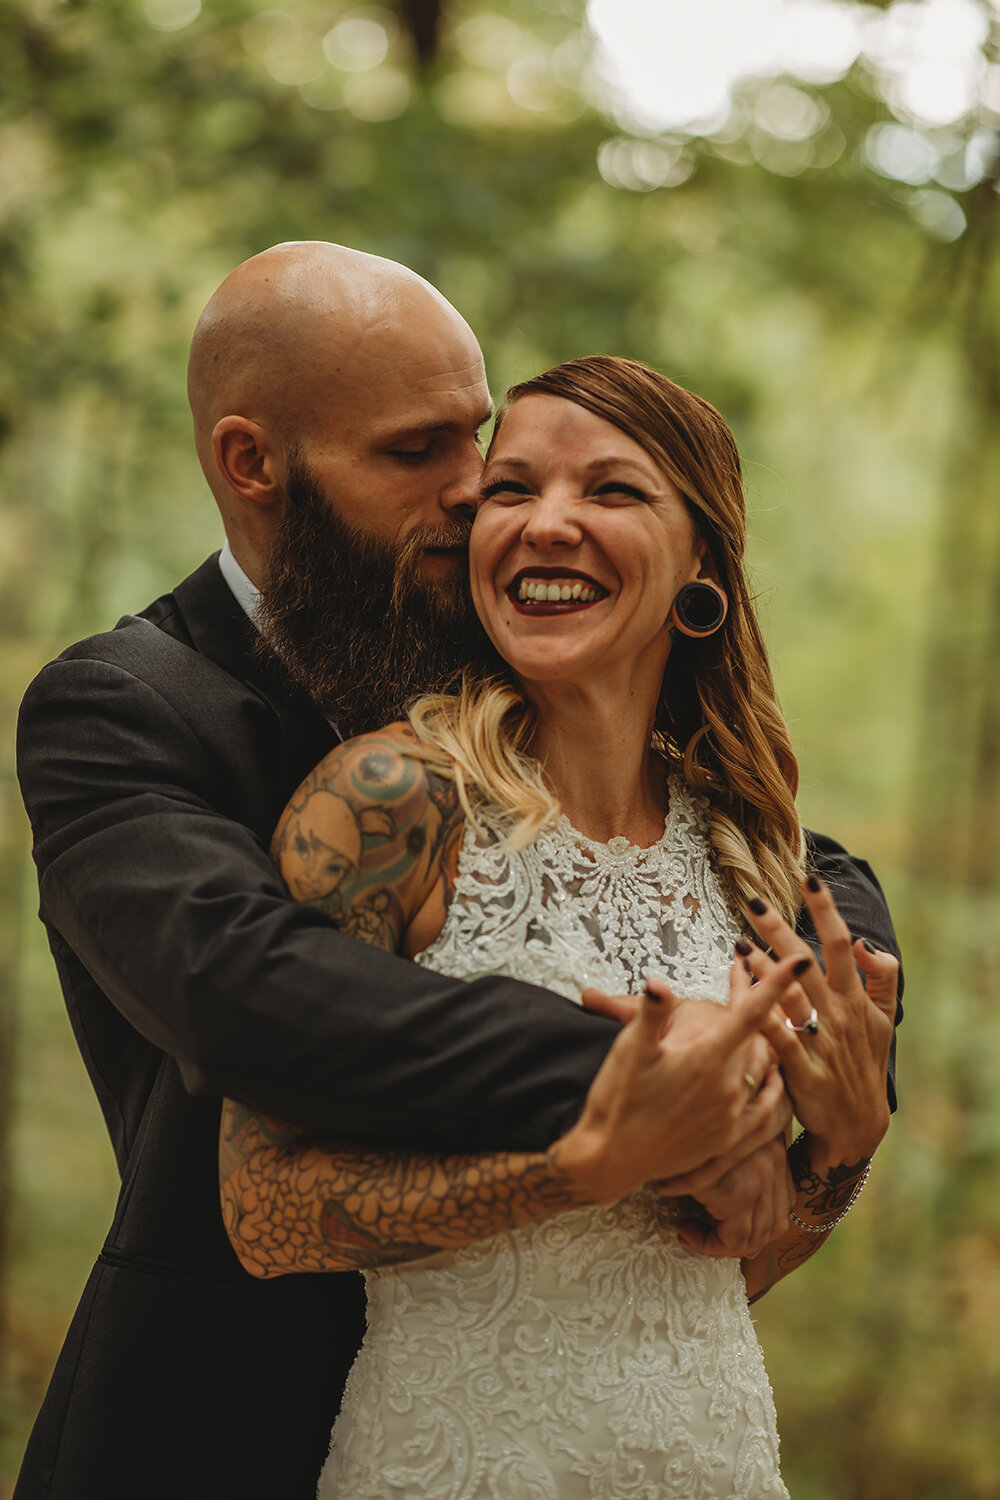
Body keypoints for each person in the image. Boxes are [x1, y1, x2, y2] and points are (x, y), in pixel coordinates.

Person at [15, 244, 901, 1500]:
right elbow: (241, 987)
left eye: (473, 438)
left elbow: (782, 855)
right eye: (415, 450)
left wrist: (846, 1065)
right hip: (224, 1419)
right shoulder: (125, 707)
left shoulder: (498, 637)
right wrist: (671, 1072)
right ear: (252, 463)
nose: (477, 491)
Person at [220, 355, 900, 1498]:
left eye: (612, 491)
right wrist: (577, 1168)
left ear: (702, 563)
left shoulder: (750, 853)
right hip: (450, 1466)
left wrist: (839, 1151)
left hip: (711, 1459)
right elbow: (264, 1214)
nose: (545, 526)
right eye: (512, 488)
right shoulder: (391, 800)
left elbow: (719, 1266)